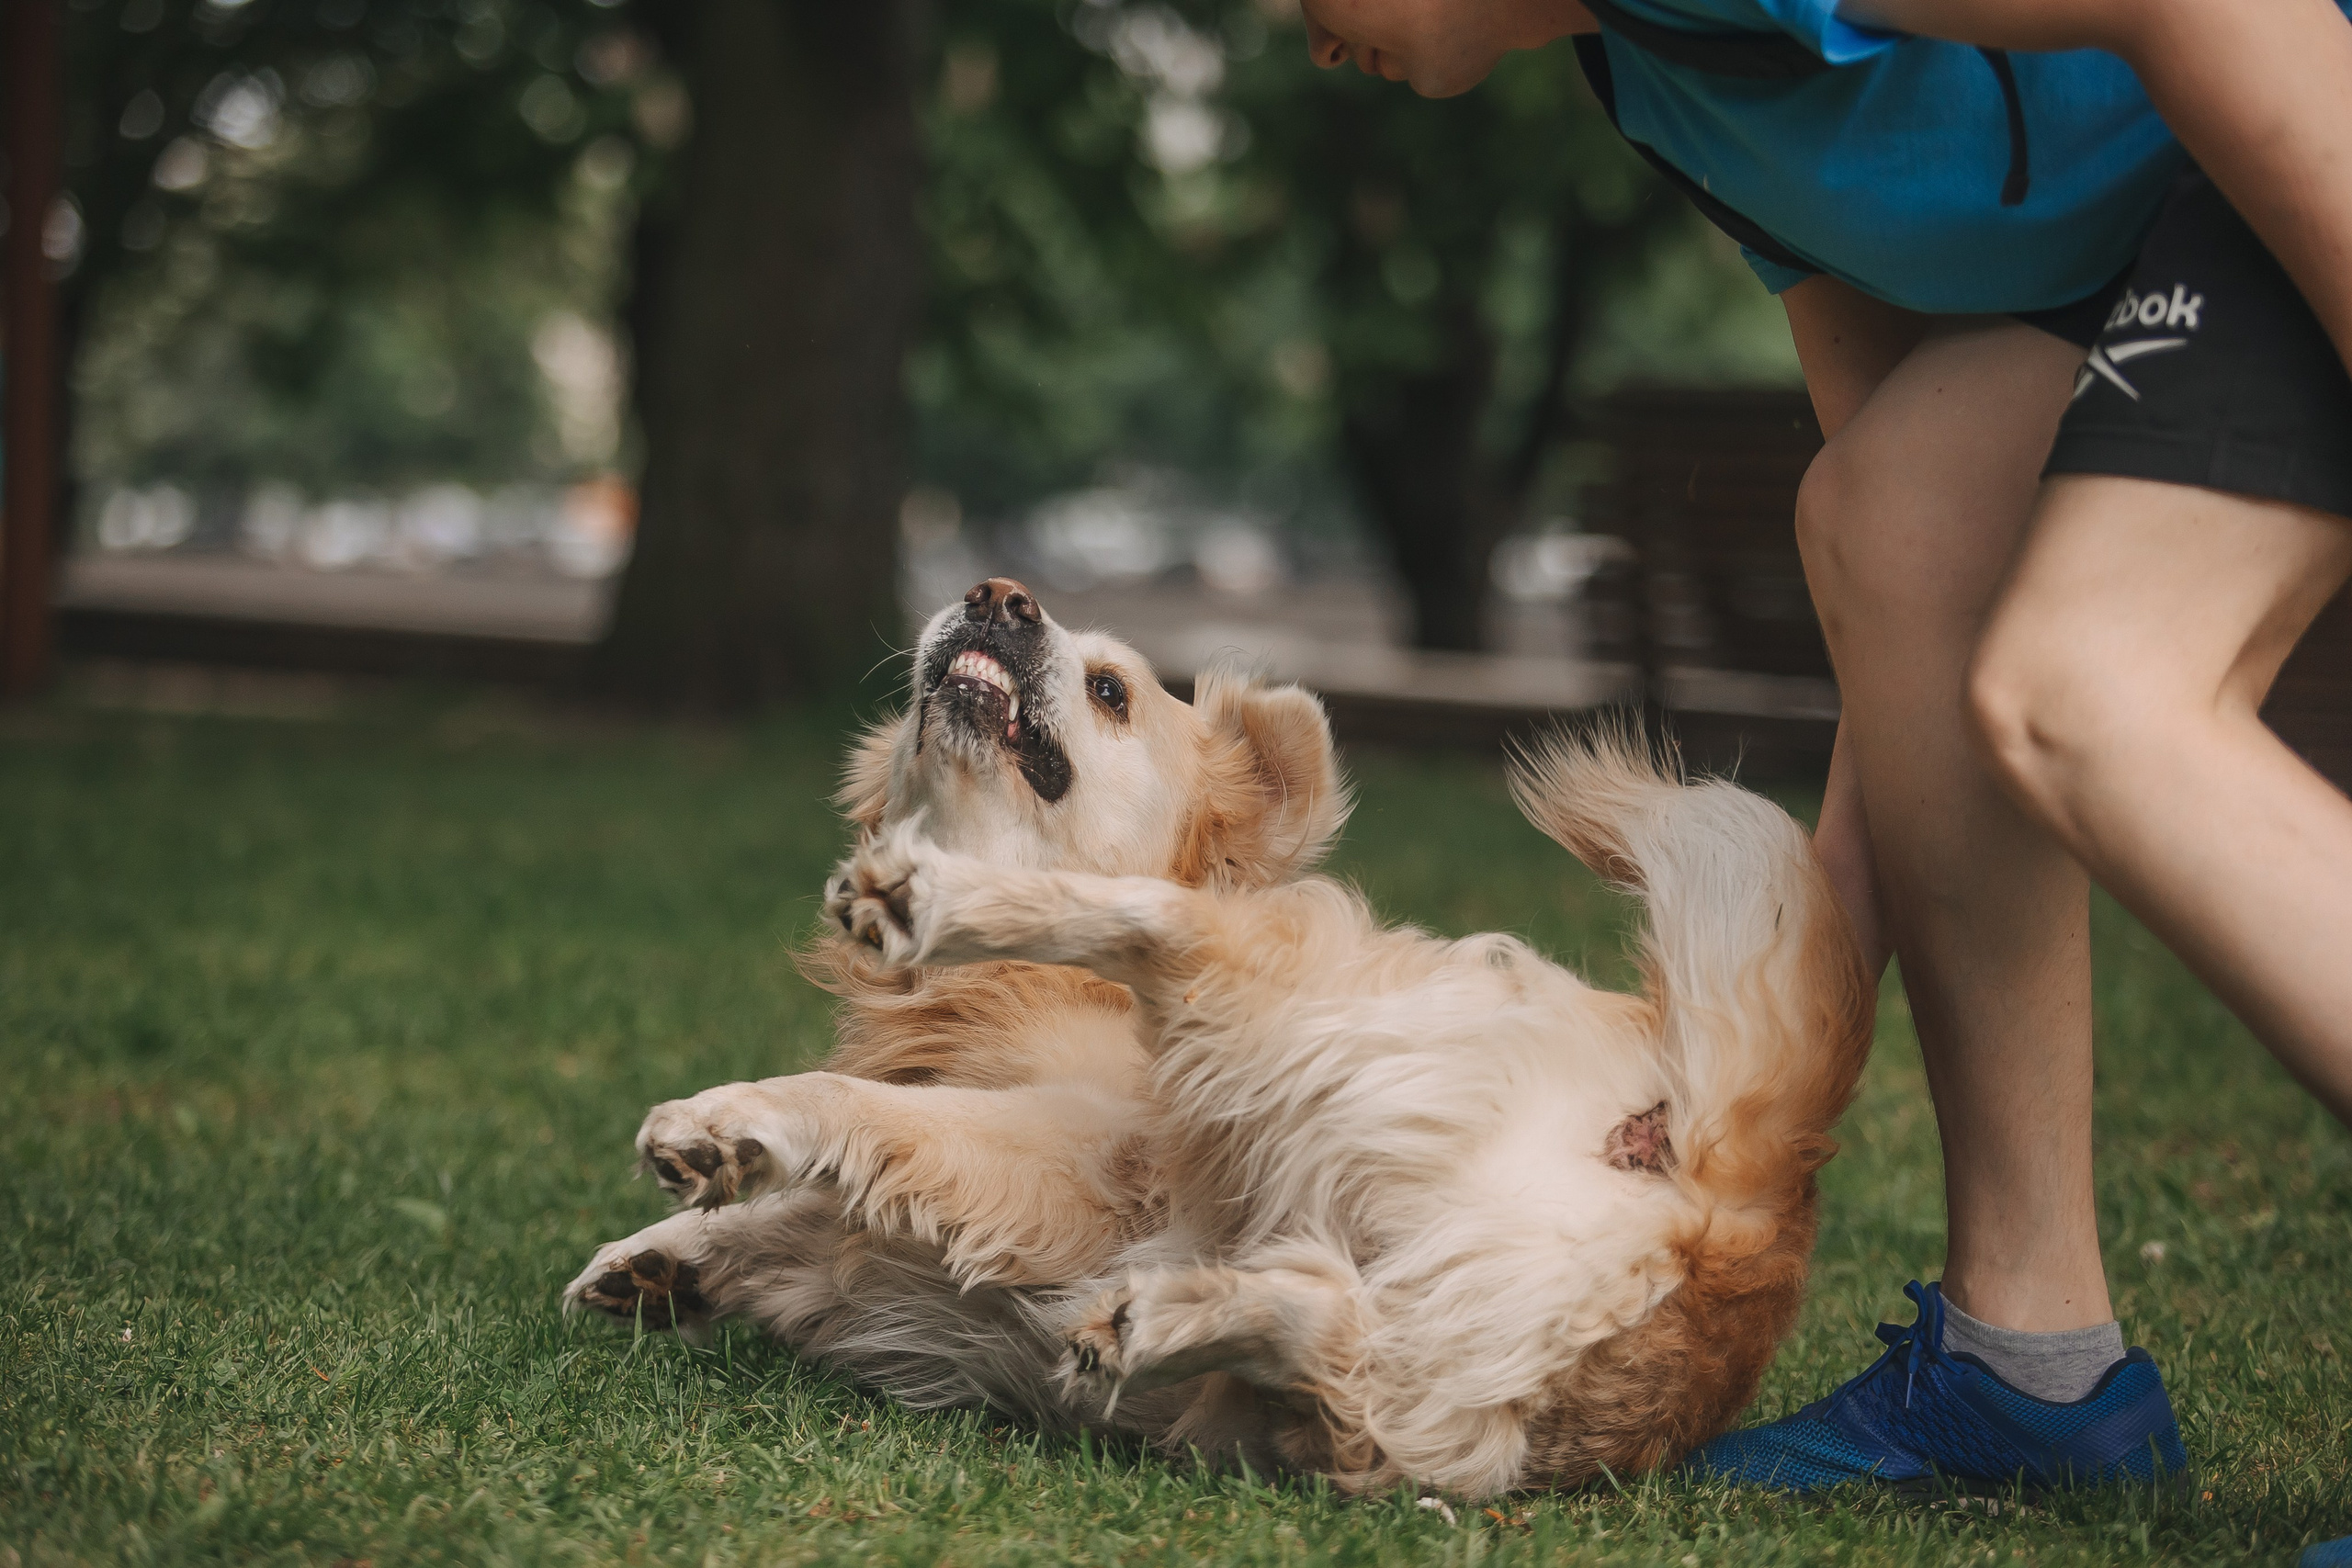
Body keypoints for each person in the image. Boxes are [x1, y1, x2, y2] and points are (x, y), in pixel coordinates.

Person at [1293, 0, 2352, 1553]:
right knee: (1899, 523)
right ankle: (2030, 1363)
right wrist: (1711, 1067)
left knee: (2096, 693)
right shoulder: (1662, 85)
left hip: (2298, 121)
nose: (1306, 40)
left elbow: (2217, 10)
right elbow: (1912, 639)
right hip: (2184, 226)